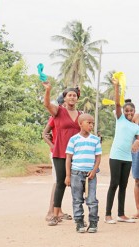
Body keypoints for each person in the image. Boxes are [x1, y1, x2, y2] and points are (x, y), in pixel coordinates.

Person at [42, 82, 82, 226]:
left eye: (74, 95)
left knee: (77, 183)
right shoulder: (58, 111)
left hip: (77, 153)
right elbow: (46, 104)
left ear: (77, 98)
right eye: (69, 95)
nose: (72, 97)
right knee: (60, 182)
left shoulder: (81, 115)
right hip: (60, 153)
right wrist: (48, 90)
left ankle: (79, 214)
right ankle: (54, 213)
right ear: (64, 98)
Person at [105, 78, 139, 224]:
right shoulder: (120, 119)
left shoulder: (136, 127)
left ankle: (121, 214)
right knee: (114, 184)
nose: (128, 112)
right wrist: (116, 87)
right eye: (126, 110)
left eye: (131, 110)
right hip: (115, 156)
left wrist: (137, 142)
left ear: (134, 112)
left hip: (128, 158)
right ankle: (108, 214)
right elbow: (118, 103)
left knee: (124, 185)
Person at [65, 113, 102, 233]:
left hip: (90, 175)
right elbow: (68, 158)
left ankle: (93, 222)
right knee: (77, 199)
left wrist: (94, 170)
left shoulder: (95, 140)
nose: (91, 125)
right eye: (88, 122)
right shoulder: (73, 139)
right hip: (76, 173)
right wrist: (68, 175)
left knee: (92, 199)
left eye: (92, 123)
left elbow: (98, 157)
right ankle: (79, 222)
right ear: (80, 124)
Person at [42, 94, 72, 222]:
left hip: (68, 153)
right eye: (63, 105)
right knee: (58, 182)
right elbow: (44, 134)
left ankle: (59, 211)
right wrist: (54, 147)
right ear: (61, 105)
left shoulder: (70, 116)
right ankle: (51, 211)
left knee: (62, 182)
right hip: (57, 153)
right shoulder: (55, 116)